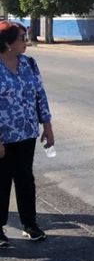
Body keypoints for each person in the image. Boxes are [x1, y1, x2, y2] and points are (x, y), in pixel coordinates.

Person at [0, 21, 53, 245]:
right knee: (1, 182)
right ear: (7, 43)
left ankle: (29, 224)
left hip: (27, 133)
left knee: (25, 179)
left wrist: (47, 127)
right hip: (2, 136)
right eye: (21, 38)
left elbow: (40, 94)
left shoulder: (29, 63)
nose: (26, 42)